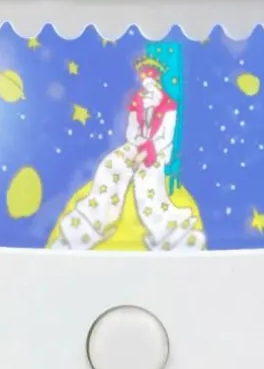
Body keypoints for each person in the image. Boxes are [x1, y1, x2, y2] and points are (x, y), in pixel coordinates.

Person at [51, 56, 206, 252]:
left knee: (147, 180)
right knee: (112, 164)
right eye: (144, 81)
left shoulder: (168, 106)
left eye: (150, 81)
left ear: (156, 82)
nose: (146, 86)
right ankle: (93, 222)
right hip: (136, 145)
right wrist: (137, 146)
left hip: (157, 151)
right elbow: (132, 130)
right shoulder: (137, 102)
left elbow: (165, 137)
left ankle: (166, 231)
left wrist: (147, 152)